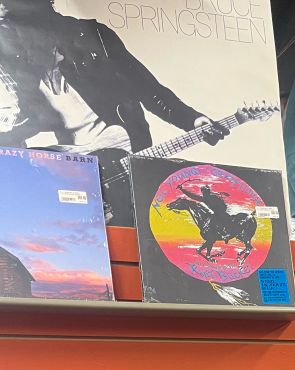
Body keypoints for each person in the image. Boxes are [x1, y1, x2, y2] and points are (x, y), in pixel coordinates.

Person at [0, 0, 229, 222]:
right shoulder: (19, 65)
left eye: (8, 21)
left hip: (119, 161)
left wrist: (192, 119)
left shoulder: (94, 37)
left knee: (130, 236)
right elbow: (26, 123)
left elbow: (148, 89)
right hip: (73, 174)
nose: (7, 32)